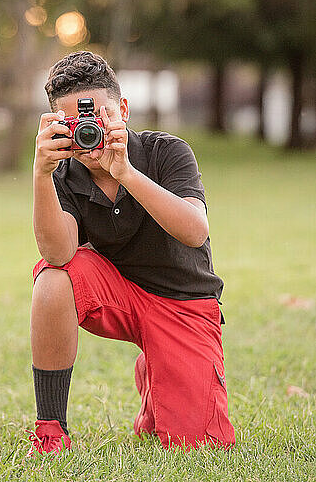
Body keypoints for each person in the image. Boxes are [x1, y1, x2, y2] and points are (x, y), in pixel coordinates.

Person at [26, 51, 235, 458]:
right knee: (53, 276)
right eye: (74, 123)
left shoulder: (166, 152)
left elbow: (194, 231)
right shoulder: (65, 175)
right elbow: (58, 251)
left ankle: (160, 368)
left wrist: (125, 172)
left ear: (122, 109)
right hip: (120, 296)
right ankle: (51, 431)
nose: (89, 130)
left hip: (183, 303)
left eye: (98, 115)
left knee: (200, 446)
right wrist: (40, 175)